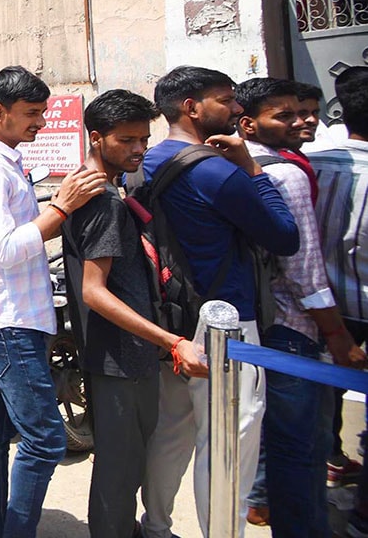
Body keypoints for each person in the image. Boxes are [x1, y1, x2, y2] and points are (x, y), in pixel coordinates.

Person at [138, 66, 300, 538]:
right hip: (228, 326)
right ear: (191, 107)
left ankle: (156, 526)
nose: (236, 109)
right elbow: (284, 236)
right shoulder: (216, 170)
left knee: (173, 432)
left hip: (173, 322)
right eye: (226, 100)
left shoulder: (147, 162)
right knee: (231, 440)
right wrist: (251, 167)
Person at [0, 65, 107, 538]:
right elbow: (5, 249)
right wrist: (61, 208)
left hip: (13, 313)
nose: (40, 122)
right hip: (7, 319)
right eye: (31, 114)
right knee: (43, 439)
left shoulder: (3, 160)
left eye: (42, 112)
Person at [63, 90, 210, 538]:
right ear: (95, 138)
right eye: (126, 140)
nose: (138, 149)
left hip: (127, 353)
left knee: (125, 460)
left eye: (143, 139)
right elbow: (95, 292)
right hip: (121, 356)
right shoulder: (103, 202)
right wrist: (172, 341)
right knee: (120, 466)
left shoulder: (103, 187)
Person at [236, 77, 366, 537]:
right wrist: (338, 335)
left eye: (304, 111)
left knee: (284, 439)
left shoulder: (251, 164)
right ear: (249, 123)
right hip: (295, 327)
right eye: (284, 115)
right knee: (302, 448)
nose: (302, 120)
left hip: (267, 323)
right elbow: (304, 269)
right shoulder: (287, 174)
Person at [306, 66, 368, 536]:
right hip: (353, 312)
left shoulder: (310, 160)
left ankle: (328, 461)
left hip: (313, 306)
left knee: (315, 402)